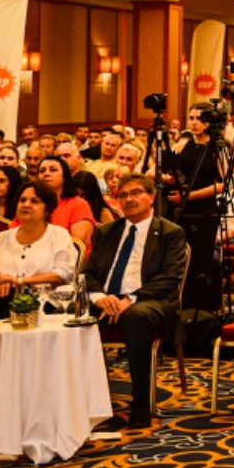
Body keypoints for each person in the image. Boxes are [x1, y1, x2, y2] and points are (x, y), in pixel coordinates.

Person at [82, 174, 190, 429]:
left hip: (150, 300)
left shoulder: (170, 232)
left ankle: (140, 400)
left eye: (136, 193)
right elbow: (88, 273)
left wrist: (130, 299)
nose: (129, 199)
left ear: (151, 197)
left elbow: (170, 278)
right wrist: (100, 298)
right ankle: (79, 400)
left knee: (135, 316)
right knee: (68, 316)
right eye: (123, 195)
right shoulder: (107, 231)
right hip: (106, 300)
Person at [0, 180, 79, 392]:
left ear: (47, 208)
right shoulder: (3, 237)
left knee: (11, 318)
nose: (26, 205)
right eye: (22, 200)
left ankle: (12, 388)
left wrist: (20, 281)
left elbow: (63, 274)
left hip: (41, 298)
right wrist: (0, 281)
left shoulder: (58, 235)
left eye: (34, 201)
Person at [160, 106, 224, 314]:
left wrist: (188, 196)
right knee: (178, 255)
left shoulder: (217, 147)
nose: (195, 122)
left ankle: (203, 309)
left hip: (204, 209)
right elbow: (157, 170)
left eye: (200, 118)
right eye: (191, 118)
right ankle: (181, 304)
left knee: (200, 259)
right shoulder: (183, 143)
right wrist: (169, 179)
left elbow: (222, 185)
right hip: (178, 207)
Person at [36, 157, 96, 246]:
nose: (46, 173)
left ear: (64, 177)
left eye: (53, 170)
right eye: (42, 171)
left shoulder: (79, 204)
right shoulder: (30, 204)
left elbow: (76, 246)